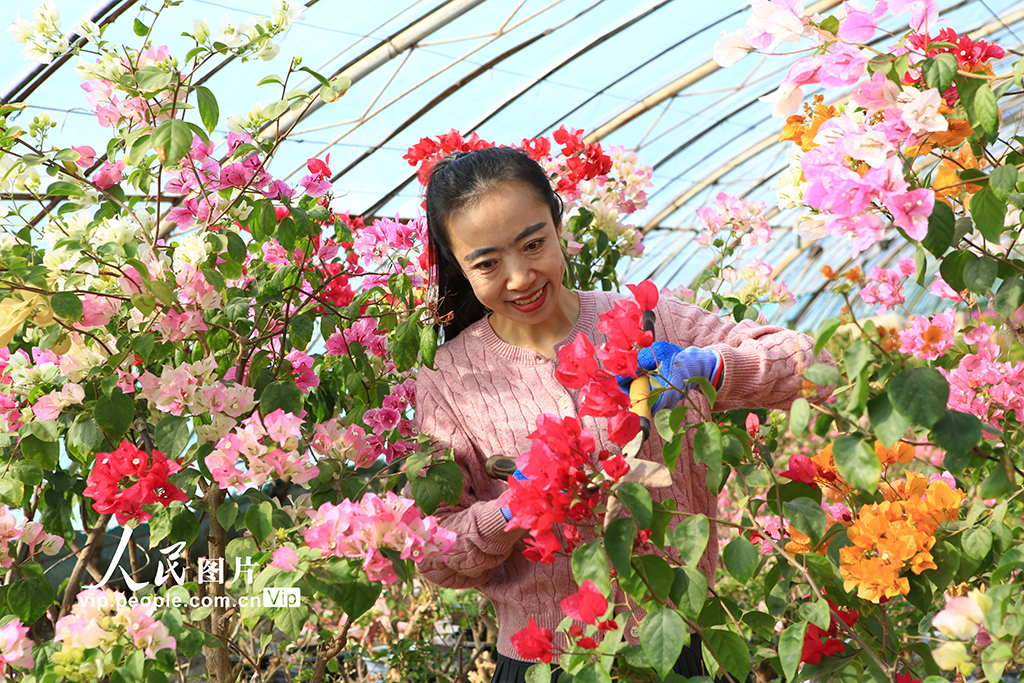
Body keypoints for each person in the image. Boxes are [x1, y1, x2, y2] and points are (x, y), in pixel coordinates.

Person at [413, 146, 833, 683]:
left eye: (533, 244)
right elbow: (438, 557)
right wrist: (512, 510)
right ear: (459, 266)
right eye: (488, 263)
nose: (519, 277)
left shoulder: (649, 321)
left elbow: (812, 365)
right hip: (552, 664)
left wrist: (714, 367)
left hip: (683, 643)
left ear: (559, 225)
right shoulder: (448, 378)